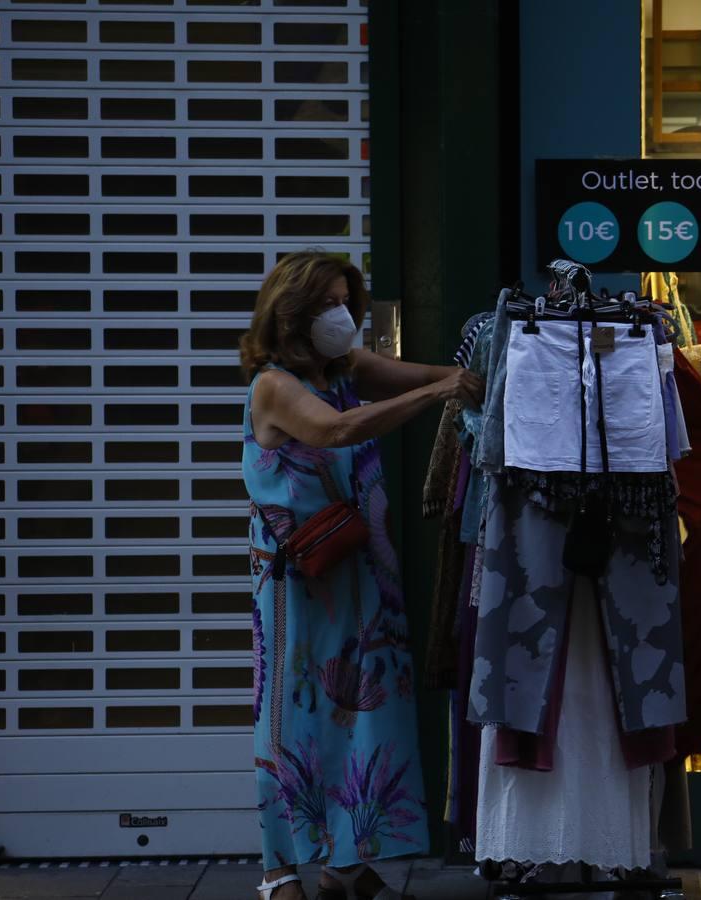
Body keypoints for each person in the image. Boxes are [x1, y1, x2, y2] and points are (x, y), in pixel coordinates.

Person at [240, 252, 483, 900]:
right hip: (302, 581)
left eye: (346, 300)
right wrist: (438, 393)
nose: (340, 315)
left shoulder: (343, 368)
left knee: (364, 714)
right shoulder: (274, 385)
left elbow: (419, 372)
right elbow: (335, 429)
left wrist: (471, 374)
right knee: (292, 719)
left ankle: (344, 862)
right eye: (325, 304)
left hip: (362, 572)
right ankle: (278, 867)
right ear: (291, 312)